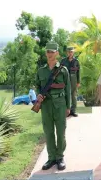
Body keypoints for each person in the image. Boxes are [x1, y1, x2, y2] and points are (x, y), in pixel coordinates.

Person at [36, 42, 71, 171]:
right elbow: (37, 86)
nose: (50, 54)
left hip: (60, 105)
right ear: (46, 53)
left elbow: (68, 89)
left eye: (52, 51)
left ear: (57, 53)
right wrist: (38, 96)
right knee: (48, 132)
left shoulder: (63, 70)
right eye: (48, 52)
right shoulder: (41, 71)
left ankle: (60, 157)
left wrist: (68, 107)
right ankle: (51, 158)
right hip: (45, 105)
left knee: (61, 131)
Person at [60, 46, 80, 117]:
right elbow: (60, 71)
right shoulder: (63, 61)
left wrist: (78, 82)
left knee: (74, 95)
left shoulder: (76, 61)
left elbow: (78, 72)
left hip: (74, 79)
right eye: (69, 52)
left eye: (71, 52)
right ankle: (66, 111)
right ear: (67, 53)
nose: (70, 53)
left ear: (73, 52)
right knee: (66, 94)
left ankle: (73, 111)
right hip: (65, 79)